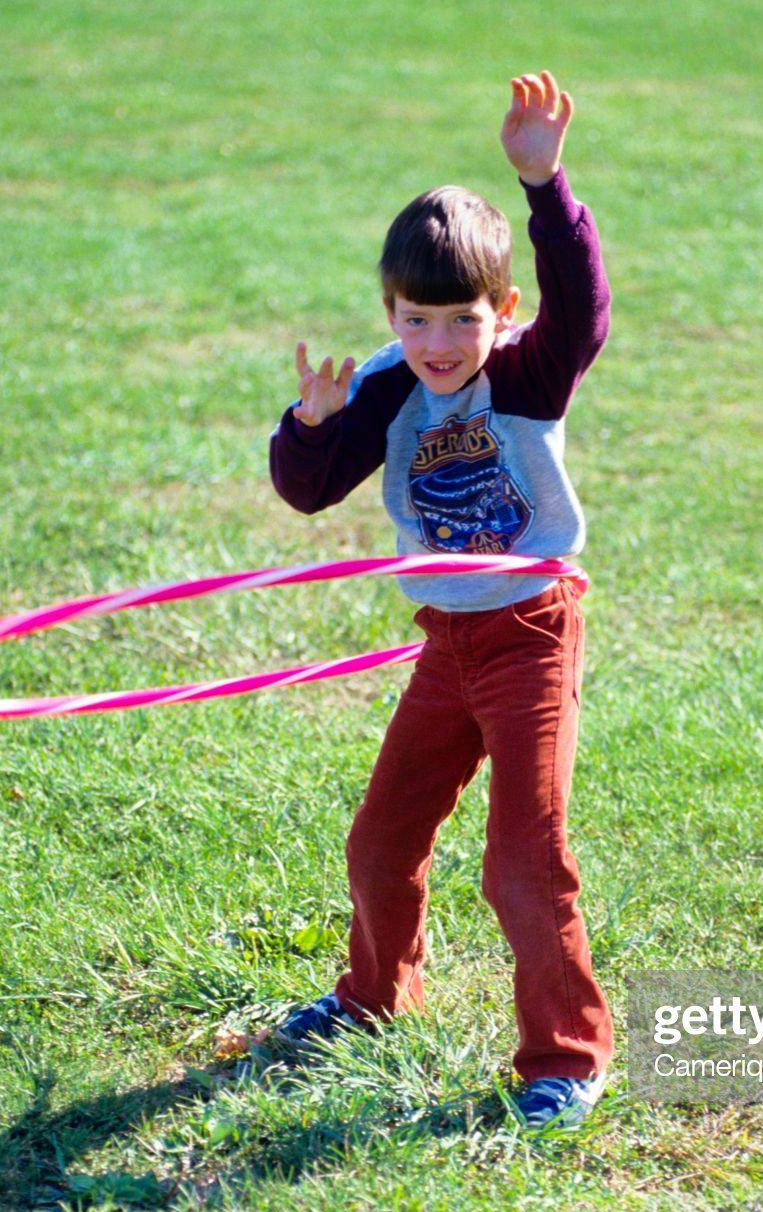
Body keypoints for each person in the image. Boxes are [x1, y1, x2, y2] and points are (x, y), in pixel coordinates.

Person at [258, 70, 613, 1131]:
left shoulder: (525, 371)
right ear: (390, 314)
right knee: (380, 837)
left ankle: (566, 1058)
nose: (439, 343)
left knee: (521, 857)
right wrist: (313, 427)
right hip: (443, 640)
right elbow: (308, 494)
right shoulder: (384, 381)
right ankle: (373, 996)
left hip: (530, 634)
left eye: (460, 319)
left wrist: (542, 186)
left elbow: (584, 309)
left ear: (500, 313)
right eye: (416, 319)